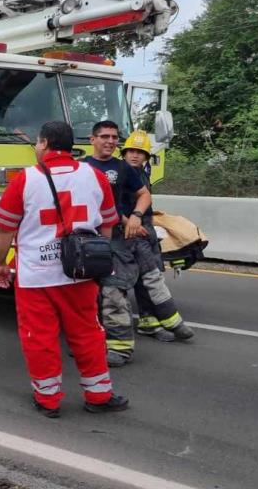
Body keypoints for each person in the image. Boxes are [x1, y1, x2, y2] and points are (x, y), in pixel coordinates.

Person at [0, 121, 128, 417]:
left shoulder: (26, 179)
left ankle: (48, 399)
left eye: (38, 143)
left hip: (35, 275)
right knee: (89, 333)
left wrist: (0, 263)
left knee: (39, 337)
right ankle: (99, 395)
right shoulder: (94, 175)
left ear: (44, 143)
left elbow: (4, 229)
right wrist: (93, 259)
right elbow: (107, 224)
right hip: (80, 272)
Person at [83, 120, 152, 368]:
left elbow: (144, 194)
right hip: (86, 239)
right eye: (105, 136)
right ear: (92, 140)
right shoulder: (80, 168)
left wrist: (135, 216)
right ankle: (94, 343)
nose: (110, 141)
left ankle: (121, 349)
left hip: (117, 240)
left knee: (114, 292)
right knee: (88, 296)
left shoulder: (123, 169)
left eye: (114, 137)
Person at [120, 130, 195, 342]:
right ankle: (163, 321)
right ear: (124, 153)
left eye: (140, 152)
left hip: (145, 229)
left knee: (148, 277)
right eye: (131, 151)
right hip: (129, 231)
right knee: (146, 276)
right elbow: (114, 206)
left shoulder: (142, 173)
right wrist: (131, 223)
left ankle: (149, 320)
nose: (135, 155)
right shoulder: (121, 174)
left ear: (146, 156)